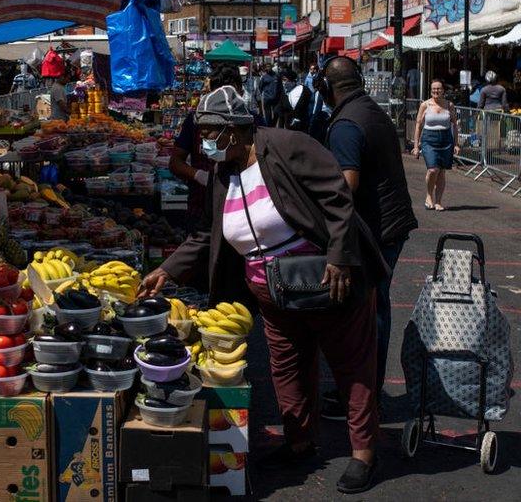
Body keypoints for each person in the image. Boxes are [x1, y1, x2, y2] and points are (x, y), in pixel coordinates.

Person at [139, 86, 386, 495]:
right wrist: (167, 269)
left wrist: (340, 257)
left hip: (325, 282)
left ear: (235, 130)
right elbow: (208, 233)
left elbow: (338, 197)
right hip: (273, 293)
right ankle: (300, 442)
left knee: (351, 367)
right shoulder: (223, 171)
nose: (203, 142)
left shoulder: (287, 146)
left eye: (209, 132)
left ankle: (363, 454)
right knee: (286, 368)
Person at [318, 56, 418, 421]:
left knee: (366, 315)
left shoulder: (345, 123)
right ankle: (364, 390)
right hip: (390, 225)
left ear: (328, 87)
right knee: (375, 310)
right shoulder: (369, 110)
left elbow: (347, 184)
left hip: (377, 230)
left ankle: (361, 396)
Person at [413, 79, 460, 211]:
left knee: (441, 172)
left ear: (443, 90)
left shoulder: (449, 105)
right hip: (429, 139)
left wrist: (456, 144)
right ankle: (429, 196)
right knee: (433, 169)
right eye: (434, 89)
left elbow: (455, 125)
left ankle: (438, 201)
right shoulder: (425, 105)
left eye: (438, 89)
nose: (436, 91)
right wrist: (416, 146)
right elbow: (418, 126)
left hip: (446, 139)